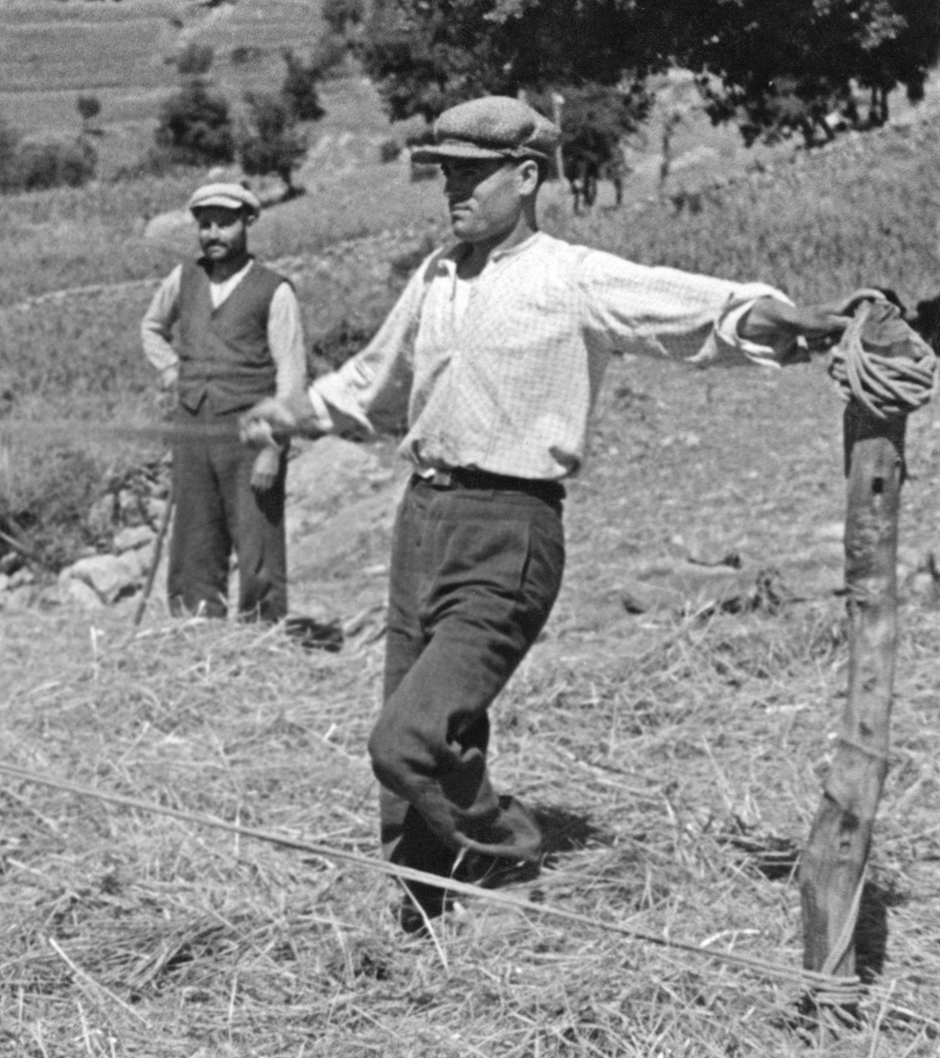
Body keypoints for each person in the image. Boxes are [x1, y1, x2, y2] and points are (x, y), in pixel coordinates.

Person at [238, 95, 846, 929]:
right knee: (419, 746)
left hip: (510, 530)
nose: (454, 189)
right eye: (445, 173)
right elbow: (373, 382)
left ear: (526, 177)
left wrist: (781, 320)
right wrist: (293, 412)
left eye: (473, 174)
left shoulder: (572, 277)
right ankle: (424, 921)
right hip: (422, 521)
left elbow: (694, 308)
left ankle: (512, 859)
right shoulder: (439, 273)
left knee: (407, 739)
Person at [140, 181, 309, 621]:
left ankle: (261, 633)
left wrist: (274, 448)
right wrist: (172, 369)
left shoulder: (275, 291)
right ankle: (195, 628)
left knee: (257, 541)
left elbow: (291, 380)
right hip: (193, 427)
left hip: (251, 436)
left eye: (225, 223)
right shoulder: (184, 278)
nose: (213, 234)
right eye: (205, 225)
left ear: (247, 223)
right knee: (195, 536)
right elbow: (152, 328)